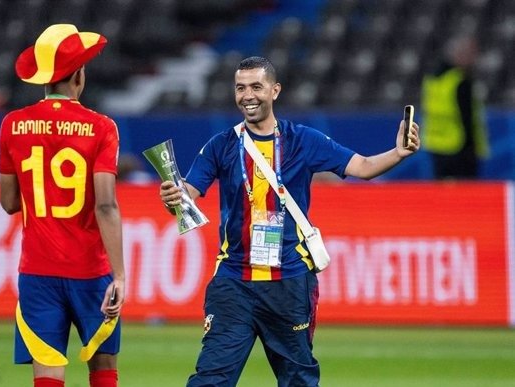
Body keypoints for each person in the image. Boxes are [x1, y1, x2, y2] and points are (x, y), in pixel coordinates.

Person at [159, 56, 420, 387]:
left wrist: (398, 152)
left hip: (290, 283)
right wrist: (173, 198)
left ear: (275, 90)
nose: (247, 95)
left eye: (256, 86)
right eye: (240, 88)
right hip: (233, 283)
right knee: (210, 379)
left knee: (298, 380)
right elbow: (188, 196)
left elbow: (364, 167)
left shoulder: (302, 140)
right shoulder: (220, 145)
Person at [0, 24, 125, 387]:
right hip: (90, 270)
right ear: (78, 75)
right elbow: (105, 206)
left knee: (48, 374)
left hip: (38, 271)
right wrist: (119, 275)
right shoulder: (102, 128)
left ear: (44, 79)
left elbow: (8, 202)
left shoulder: (12, 125)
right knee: (103, 368)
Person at [421, 34, 489, 179]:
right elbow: (467, 117)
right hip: (459, 145)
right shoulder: (460, 81)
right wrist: (473, 149)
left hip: (436, 143)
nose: (474, 59)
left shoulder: (432, 78)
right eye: (471, 54)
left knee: (443, 194)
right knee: (464, 196)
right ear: (460, 55)